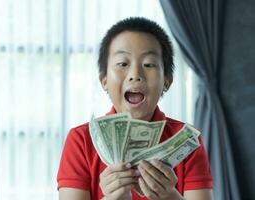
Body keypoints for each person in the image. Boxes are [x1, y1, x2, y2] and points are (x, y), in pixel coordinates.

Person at [57, 17, 213, 200]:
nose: (135, 75)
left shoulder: (188, 141)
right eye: (123, 64)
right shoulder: (81, 141)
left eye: (148, 64)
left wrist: (171, 197)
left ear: (167, 81)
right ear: (104, 80)